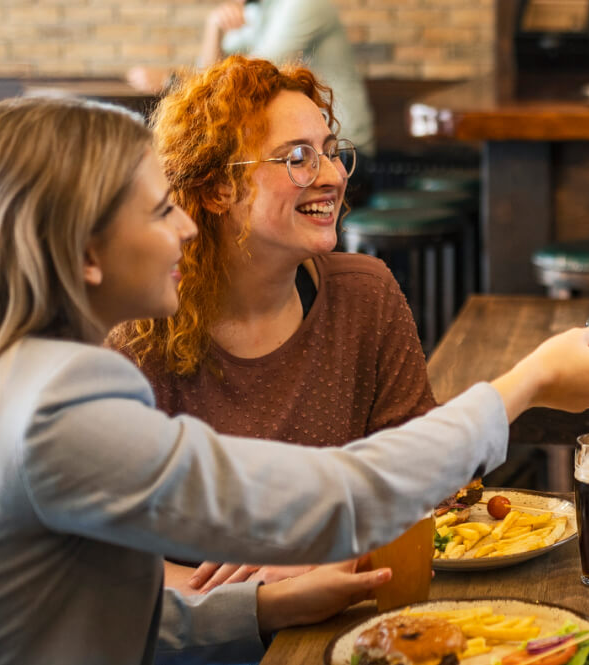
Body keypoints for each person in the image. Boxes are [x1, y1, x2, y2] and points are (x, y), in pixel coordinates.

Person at [0, 96, 589, 664]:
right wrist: (525, 384)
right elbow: (338, 494)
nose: (186, 225)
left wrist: (266, 604)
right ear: (87, 252)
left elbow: (100, 610)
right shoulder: (61, 399)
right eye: (159, 210)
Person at [112, 55, 431, 594]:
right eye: (298, 159)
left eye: (331, 153)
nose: (331, 177)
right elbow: (106, 560)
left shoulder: (365, 295)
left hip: (345, 614)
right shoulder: (139, 331)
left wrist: (327, 560)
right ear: (217, 189)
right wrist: (254, 602)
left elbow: (424, 490)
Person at [127, 0, 375, 200]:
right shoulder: (262, 9)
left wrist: (171, 81)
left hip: (341, 150)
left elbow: (251, 74)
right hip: (299, 150)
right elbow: (213, 79)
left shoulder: (304, 4)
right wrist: (214, 26)